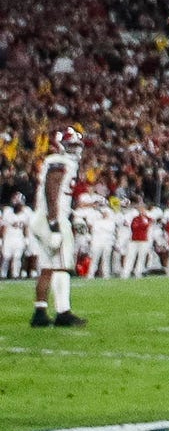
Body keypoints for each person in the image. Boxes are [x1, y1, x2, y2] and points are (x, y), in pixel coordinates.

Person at [28, 126, 87, 327]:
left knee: (47, 268)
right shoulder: (59, 162)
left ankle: (40, 313)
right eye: (71, 145)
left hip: (42, 217)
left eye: (76, 145)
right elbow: (51, 190)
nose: (75, 150)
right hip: (51, 218)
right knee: (62, 266)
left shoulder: (58, 161)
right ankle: (63, 312)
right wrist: (54, 224)